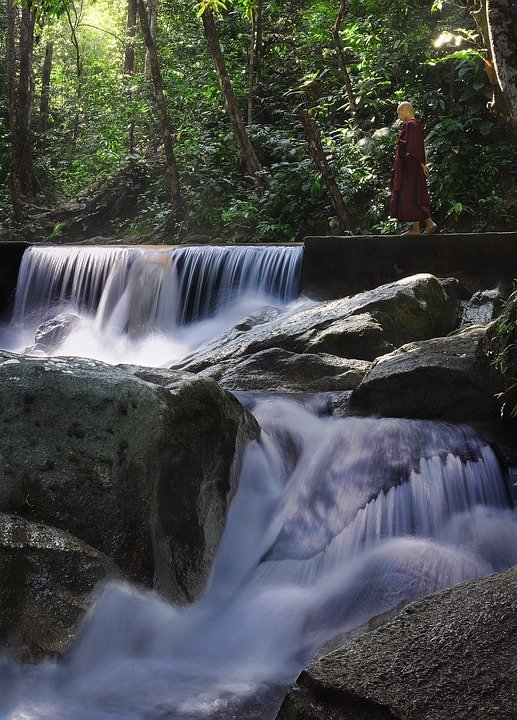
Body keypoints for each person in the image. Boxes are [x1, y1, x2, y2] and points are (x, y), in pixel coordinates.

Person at [389, 101, 437, 235]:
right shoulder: (415, 124)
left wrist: (410, 157)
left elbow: (411, 146)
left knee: (410, 195)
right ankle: (415, 228)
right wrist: (422, 162)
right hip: (412, 164)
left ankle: (429, 223)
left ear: (406, 110)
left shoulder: (410, 124)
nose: (398, 115)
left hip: (410, 165)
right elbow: (419, 146)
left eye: (399, 112)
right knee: (411, 194)